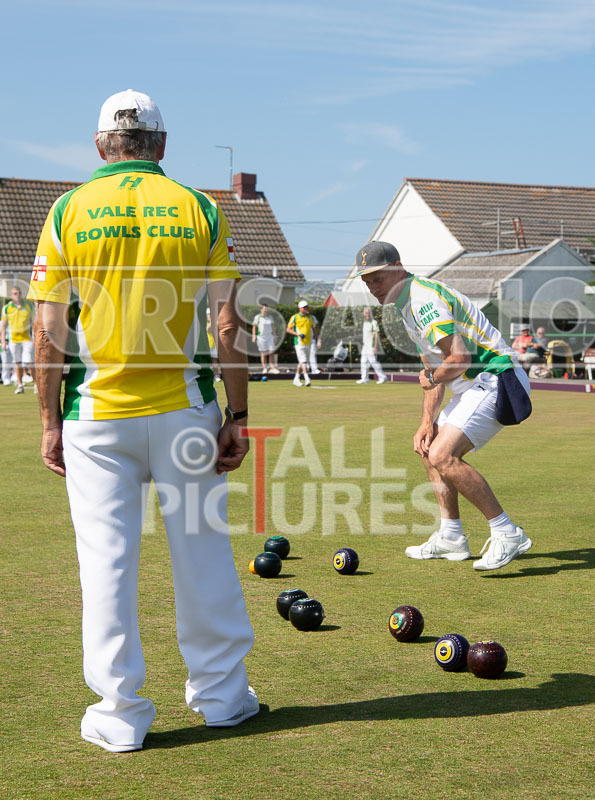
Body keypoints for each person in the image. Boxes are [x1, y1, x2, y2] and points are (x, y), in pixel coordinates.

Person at [28, 89, 257, 753]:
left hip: (96, 416)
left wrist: (48, 421)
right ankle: (222, 700)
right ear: (160, 145)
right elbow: (226, 324)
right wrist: (236, 415)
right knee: (203, 555)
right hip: (185, 408)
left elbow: (48, 332)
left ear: (102, 145)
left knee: (105, 564)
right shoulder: (199, 208)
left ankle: (119, 716)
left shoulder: (68, 210)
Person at [355, 240, 533, 571]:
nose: (372, 288)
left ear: (397, 267)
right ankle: (451, 536)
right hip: (474, 385)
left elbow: (458, 360)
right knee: (428, 448)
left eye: (377, 278)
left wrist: (434, 377)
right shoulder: (406, 305)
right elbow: (431, 371)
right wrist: (426, 422)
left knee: (443, 455)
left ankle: (507, 532)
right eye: (367, 282)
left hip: (498, 376)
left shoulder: (422, 298)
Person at [1, 286, 37, 394]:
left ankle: (36, 385)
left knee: (30, 362)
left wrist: (35, 338)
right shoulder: (7, 308)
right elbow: (3, 325)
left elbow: (35, 323)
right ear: (11, 295)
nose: (18, 295)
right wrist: (3, 340)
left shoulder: (29, 306)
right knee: (17, 362)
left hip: (27, 338)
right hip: (14, 339)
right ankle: (20, 385)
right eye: (15, 293)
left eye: (19, 293)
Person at [286, 300, 321, 386]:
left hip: (308, 342)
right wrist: (297, 334)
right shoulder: (295, 317)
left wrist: (317, 337)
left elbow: (315, 327)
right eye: (305, 307)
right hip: (299, 343)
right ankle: (307, 379)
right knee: (304, 362)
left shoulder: (311, 317)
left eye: (307, 307)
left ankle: (296, 379)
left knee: (302, 362)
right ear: (300, 308)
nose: (307, 309)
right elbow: (288, 329)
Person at [356, 307, 387, 384]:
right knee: (363, 362)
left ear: (371, 314)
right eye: (366, 313)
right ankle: (365, 378)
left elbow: (376, 335)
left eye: (369, 313)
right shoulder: (364, 323)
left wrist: (375, 347)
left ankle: (382, 377)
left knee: (373, 361)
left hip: (371, 346)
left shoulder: (374, 322)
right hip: (365, 346)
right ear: (364, 314)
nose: (367, 314)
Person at [252, 303, 279, 373]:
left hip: (270, 337)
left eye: (267, 309)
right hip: (261, 337)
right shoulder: (257, 317)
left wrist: (275, 336)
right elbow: (254, 327)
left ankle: (272, 368)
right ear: (261, 309)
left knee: (271, 352)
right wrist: (254, 336)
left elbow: (273, 328)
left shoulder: (270, 317)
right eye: (264, 309)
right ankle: (265, 368)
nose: (266, 310)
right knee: (263, 353)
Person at [206, 307, 222, 381]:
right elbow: (208, 329)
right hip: (206, 344)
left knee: (215, 360)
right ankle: (208, 376)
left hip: (214, 344)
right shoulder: (206, 322)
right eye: (209, 314)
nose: (210, 316)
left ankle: (216, 375)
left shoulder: (216, 323)